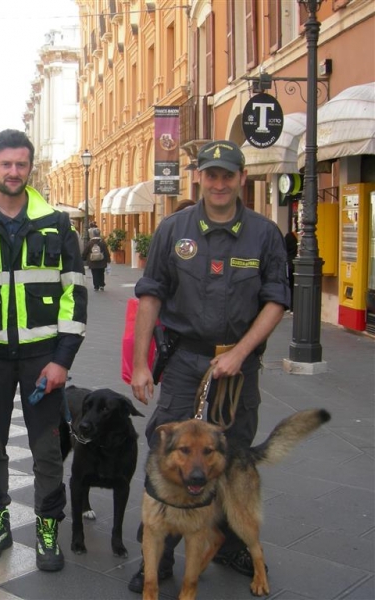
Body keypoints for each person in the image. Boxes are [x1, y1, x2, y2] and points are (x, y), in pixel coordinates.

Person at [127, 140, 290, 593]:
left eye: (227, 175)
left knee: (233, 452)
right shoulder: (173, 229)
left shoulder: (264, 234)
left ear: (241, 178)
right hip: (184, 361)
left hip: (239, 365)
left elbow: (276, 301)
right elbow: (150, 295)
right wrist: (140, 364)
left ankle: (230, 542)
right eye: (211, 174)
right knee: (167, 450)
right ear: (198, 177)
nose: (219, 183)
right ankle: (158, 555)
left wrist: (240, 353)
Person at [0, 129, 87, 572]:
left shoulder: (57, 223)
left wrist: (62, 359)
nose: (14, 172)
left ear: (30, 168)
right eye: (6, 164)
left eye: (21, 164)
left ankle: (48, 526)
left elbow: (74, 293)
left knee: (47, 450)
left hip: (42, 358)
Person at [284, 225, 298, 311]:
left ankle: (291, 306)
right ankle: (294, 306)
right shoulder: (301, 237)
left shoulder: (289, 236)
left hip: (290, 264)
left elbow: (283, 249)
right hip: (298, 265)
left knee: (290, 286)